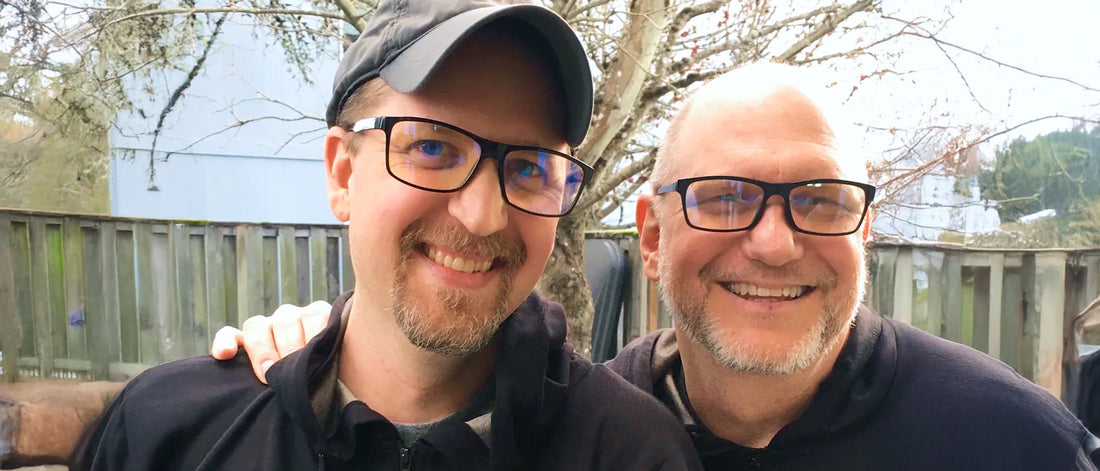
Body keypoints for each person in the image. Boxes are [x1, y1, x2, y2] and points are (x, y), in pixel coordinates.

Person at [215, 62, 1100, 470]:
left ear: (864, 229)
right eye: (724, 196)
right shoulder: (598, 434)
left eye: (822, 199)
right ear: (649, 234)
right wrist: (321, 350)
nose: (774, 241)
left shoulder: (1014, 444)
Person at [71, 1, 702, 470]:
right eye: (432, 148)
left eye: (530, 167)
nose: (482, 216)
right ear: (342, 173)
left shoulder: (631, 452)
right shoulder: (171, 431)